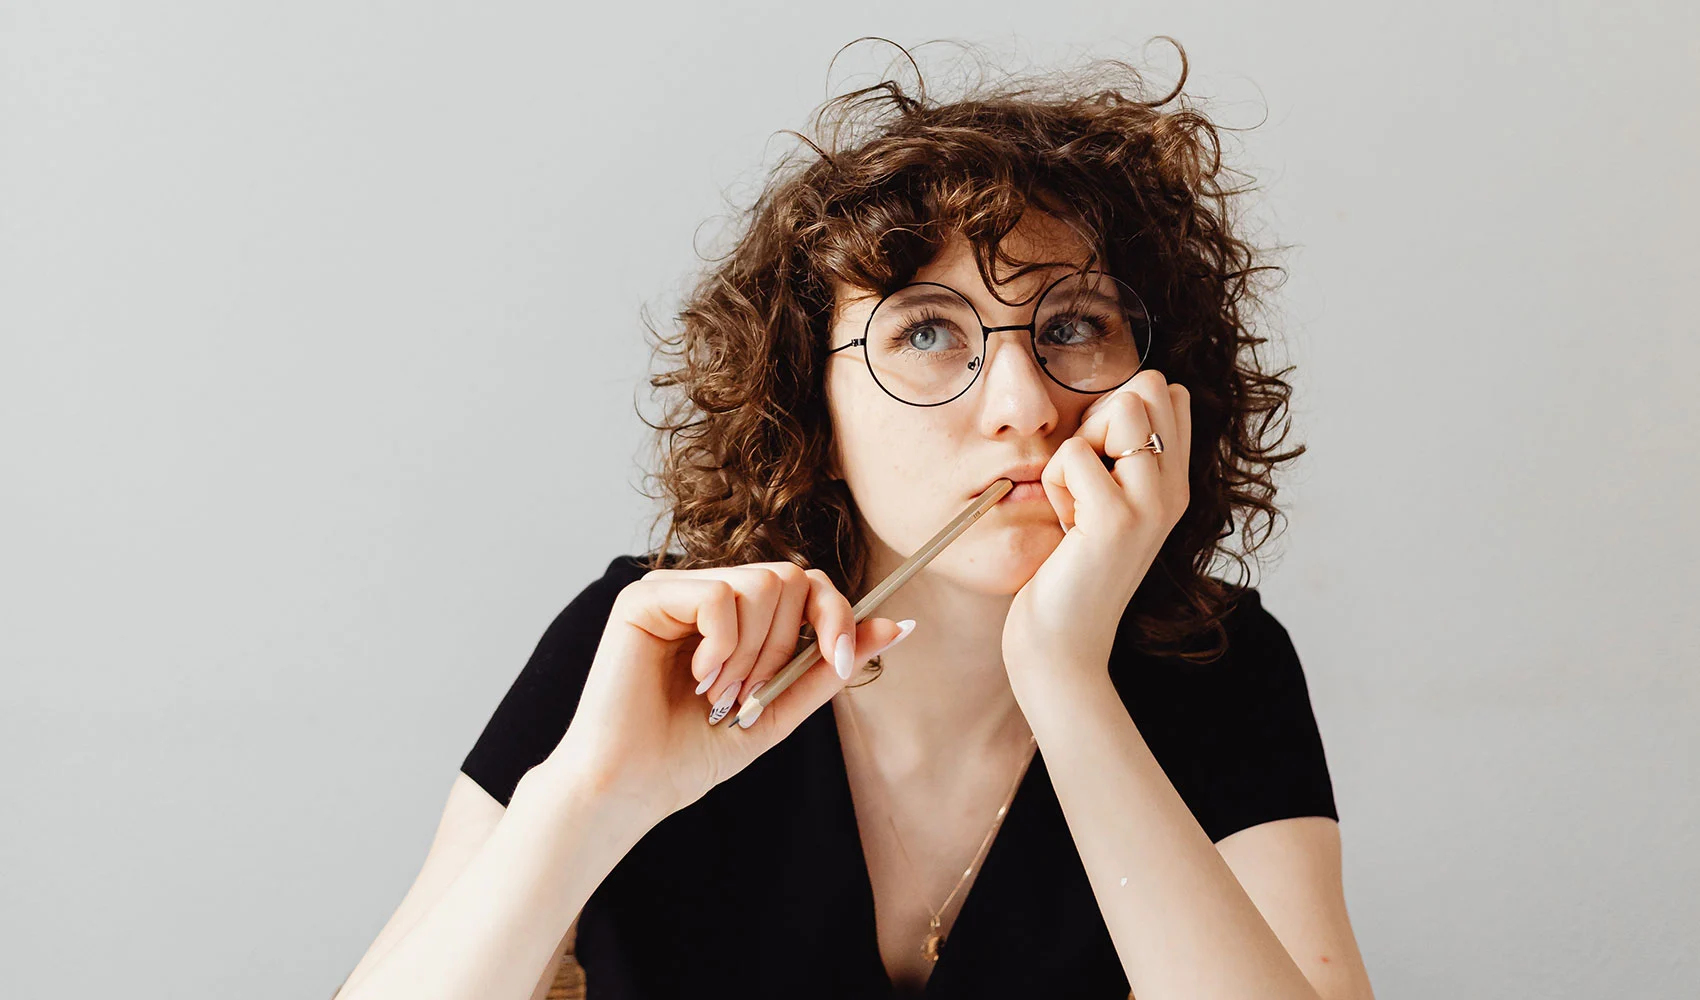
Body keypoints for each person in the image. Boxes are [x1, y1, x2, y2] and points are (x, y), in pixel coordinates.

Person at [333, 40, 1377, 1000]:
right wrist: (589, 801)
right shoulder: (649, 647)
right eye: (926, 330)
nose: (1022, 402)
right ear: (811, 409)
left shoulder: (1216, 663)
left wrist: (1064, 676)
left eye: (1070, 324)